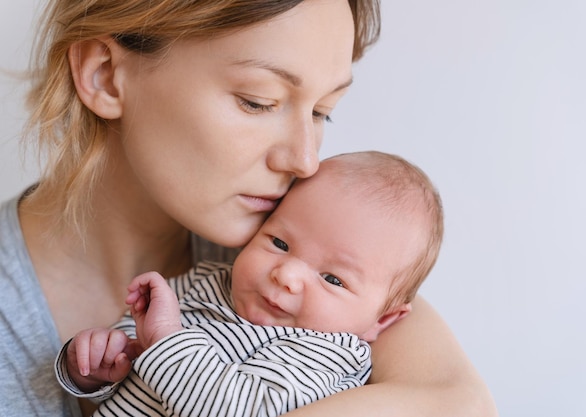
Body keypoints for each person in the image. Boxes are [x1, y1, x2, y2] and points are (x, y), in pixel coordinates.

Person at [0, 1, 497, 416]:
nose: (304, 161)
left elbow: (462, 404)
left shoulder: (308, 252)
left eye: (322, 111)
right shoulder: (270, 252)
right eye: (259, 101)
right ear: (106, 76)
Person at [55, 151, 444, 416]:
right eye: (279, 243)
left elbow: (241, 409)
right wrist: (98, 364)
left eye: (332, 279)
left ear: (384, 320)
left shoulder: (327, 355)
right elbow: (140, 348)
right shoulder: (211, 280)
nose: (287, 275)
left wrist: (167, 340)